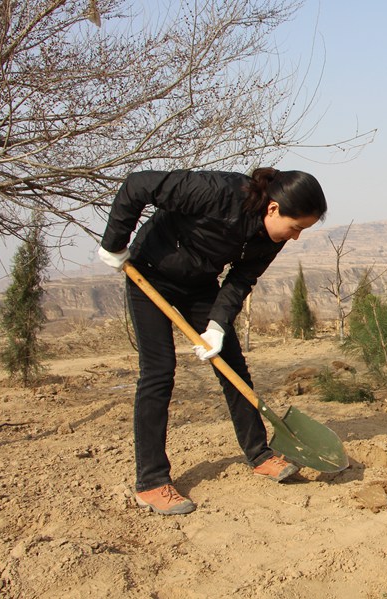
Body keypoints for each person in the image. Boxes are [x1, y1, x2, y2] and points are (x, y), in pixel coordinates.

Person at [98, 168, 327, 515]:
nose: (295, 237)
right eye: (295, 227)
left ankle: (259, 453)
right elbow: (138, 185)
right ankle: (151, 481)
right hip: (150, 274)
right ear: (273, 208)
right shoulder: (218, 192)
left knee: (232, 365)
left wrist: (218, 325)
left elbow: (242, 278)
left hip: (200, 284)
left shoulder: (271, 237)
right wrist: (115, 242)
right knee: (159, 372)